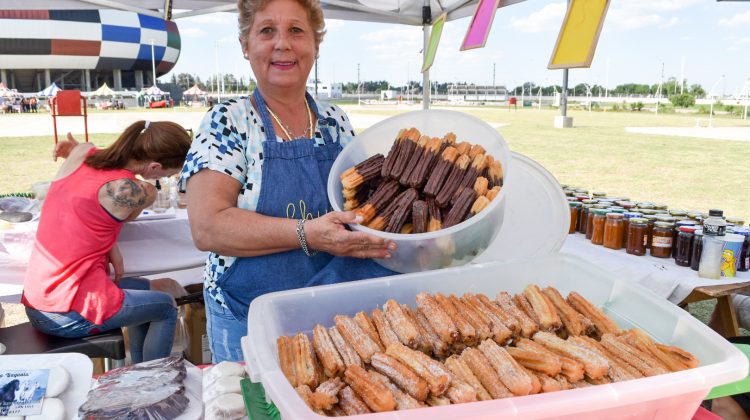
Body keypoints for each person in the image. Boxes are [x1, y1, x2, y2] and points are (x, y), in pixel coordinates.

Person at [180, 0, 398, 362]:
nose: (283, 43)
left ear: (315, 45)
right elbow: (208, 228)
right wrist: (308, 233)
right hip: (250, 314)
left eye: (296, 30)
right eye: (267, 31)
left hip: (329, 309)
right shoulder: (228, 122)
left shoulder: (334, 120)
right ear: (246, 46)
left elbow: (361, 205)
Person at [22, 121, 192, 363]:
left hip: (41, 298)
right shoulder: (131, 190)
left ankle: (140, 375)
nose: (168, 179)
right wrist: (152, 188)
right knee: (165, 306)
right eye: (169, 174)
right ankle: (155, 381)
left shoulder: (82, 154)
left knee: (150, 292)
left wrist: (111, 245)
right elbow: (127, 211)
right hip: (67, 311)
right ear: (154, 167)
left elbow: (92, 200)